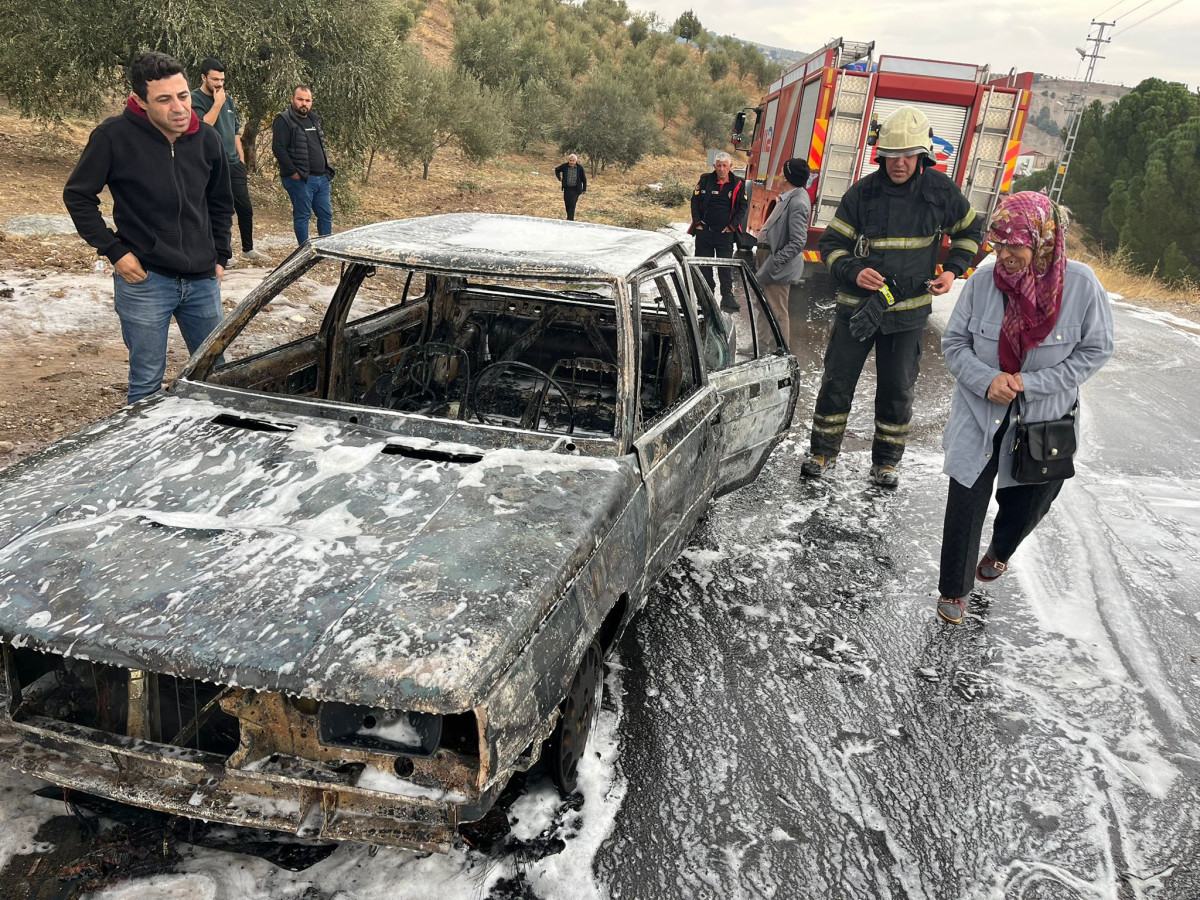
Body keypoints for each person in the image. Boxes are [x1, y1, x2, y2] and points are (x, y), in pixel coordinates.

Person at [935, 193, 1113, 624]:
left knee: (1031, 501)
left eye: (1017, 244)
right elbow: (954, 343)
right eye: (999, 244)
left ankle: (1001, 550)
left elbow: (1096, 350)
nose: (1006, 255)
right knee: (966, 500)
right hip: (981, 413)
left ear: (1045, 240)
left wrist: (1029, 384)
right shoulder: (981, 282)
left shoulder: (1082, 285)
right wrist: (987, 379)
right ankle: (955, 589)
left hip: (1043, 419)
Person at [806, 106, 985, 487]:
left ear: (922, 157)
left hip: (907, 315)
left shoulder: (941, 193)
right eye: (890, 156)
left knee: (897, 390)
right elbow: (832, 245)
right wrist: (854, 270)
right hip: (858, 310)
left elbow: (971, 232)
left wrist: (953, 270)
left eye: (906, 156)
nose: (898, 164)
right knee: (837, 382)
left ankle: (886, 462)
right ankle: (822, 452)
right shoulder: (862, 194)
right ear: (880, 156)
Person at [63, 51, 233, 406]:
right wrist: (115, 252)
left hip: (202, 278)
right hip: (145, 279)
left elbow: (220, 202)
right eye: (165, 99)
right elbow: (79, 196)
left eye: (183, 95)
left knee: (219, 377)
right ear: (140, 101)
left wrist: (221, 256)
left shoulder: (207, 139)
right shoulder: (113, 137)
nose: (179, 108)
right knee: (146, 384)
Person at [191, 58, 267, 263]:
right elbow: (202, 127)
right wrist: (217, 104)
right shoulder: (194, 99)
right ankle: (219, 252)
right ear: (203, 77)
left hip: (233, 164)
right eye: (215, 79)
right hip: (210, 164)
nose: (219, 84)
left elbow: (235, 133)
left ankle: (248, 248)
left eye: (222, 80)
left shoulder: (229, 100)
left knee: (245, 207)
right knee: (216, 210)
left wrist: (241, 159)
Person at [754, 158, 811, 344]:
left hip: (778, 264)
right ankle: (761, 345)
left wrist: (775, 262)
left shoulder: (798, 203)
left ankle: (781, 352)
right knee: (764, 305)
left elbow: (798, 241)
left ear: (786, 177)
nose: (778, 175)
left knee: (777, 310)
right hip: (769, 257)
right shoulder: (788, 197)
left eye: (781, 172)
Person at [272, 85, 336, 245]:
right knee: (303, 215)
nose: (304, 103)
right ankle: (303, 252)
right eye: (300, 99)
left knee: (326, 214)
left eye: (307, 100)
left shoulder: (313, 119)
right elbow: (278, 148)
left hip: (322, 178)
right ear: (292, 99)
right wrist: (293, 173)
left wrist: (326, 171)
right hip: (301, 180)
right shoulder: (284, 119)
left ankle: (325, 250)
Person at [689, 151, 748, 313]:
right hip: (704, 233)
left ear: (730, 167)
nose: (721, 169)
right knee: (703, 266)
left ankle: (727, 298)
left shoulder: (737, 184)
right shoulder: (705, 180)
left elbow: (742, 208)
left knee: (725, 266)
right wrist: (697, 223)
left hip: (725, 234)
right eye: (719, 166)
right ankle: (706, 298)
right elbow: (694, 201)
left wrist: (732, 226)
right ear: (714, 166)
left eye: (724, 166)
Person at [554, 153, 587, 221]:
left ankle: (570, 220)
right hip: (567, 188)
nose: (571, 162)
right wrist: (559, 178)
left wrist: (584, 189)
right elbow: (557, 170)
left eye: (573, 161)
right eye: (570, 160)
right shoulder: (564, 166)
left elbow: (584, 179)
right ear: (568, 160)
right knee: (567, 204)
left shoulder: (580, 168)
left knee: (572, 204)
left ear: (576, 161)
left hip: (576, 189)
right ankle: (569, 218)